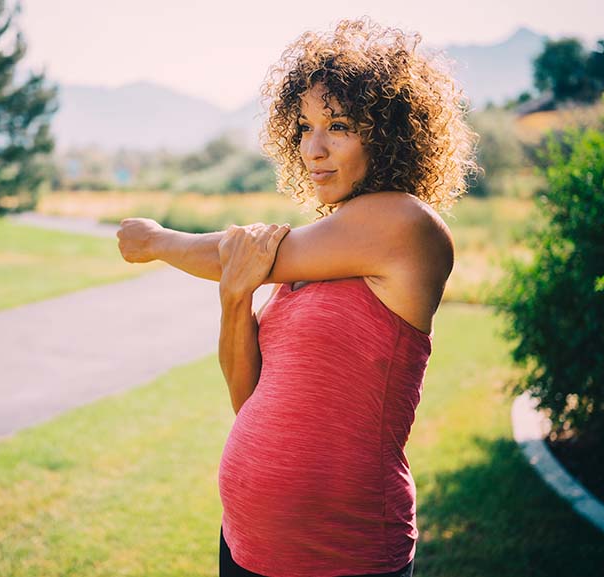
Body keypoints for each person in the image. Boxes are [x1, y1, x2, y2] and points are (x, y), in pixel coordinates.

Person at [116, 17, 477, 577]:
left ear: (389, 132)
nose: (314, 148)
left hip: (340, 553)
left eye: (338, 126)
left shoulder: (407, 225)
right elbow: (248, 399)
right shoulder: (311, 257)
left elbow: (227, 253)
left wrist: (157, 241)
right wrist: (235, 298)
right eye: (304, 127)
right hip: (244, 544)